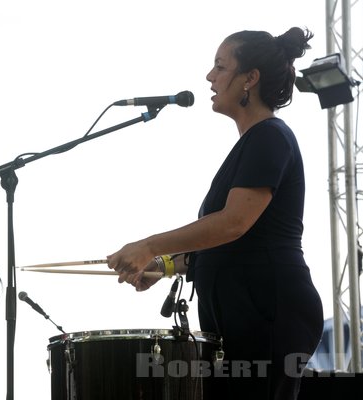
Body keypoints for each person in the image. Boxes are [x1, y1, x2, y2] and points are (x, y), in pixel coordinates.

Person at [107, 27, 324, 400]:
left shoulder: (270, 136)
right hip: (244, 313)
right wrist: (165, 266)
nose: (210, 76)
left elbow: (233, 224)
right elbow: (231, 245)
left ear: (249, 79)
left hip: (269, 311)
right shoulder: (253, 142)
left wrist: (148, 245)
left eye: (220, 67)